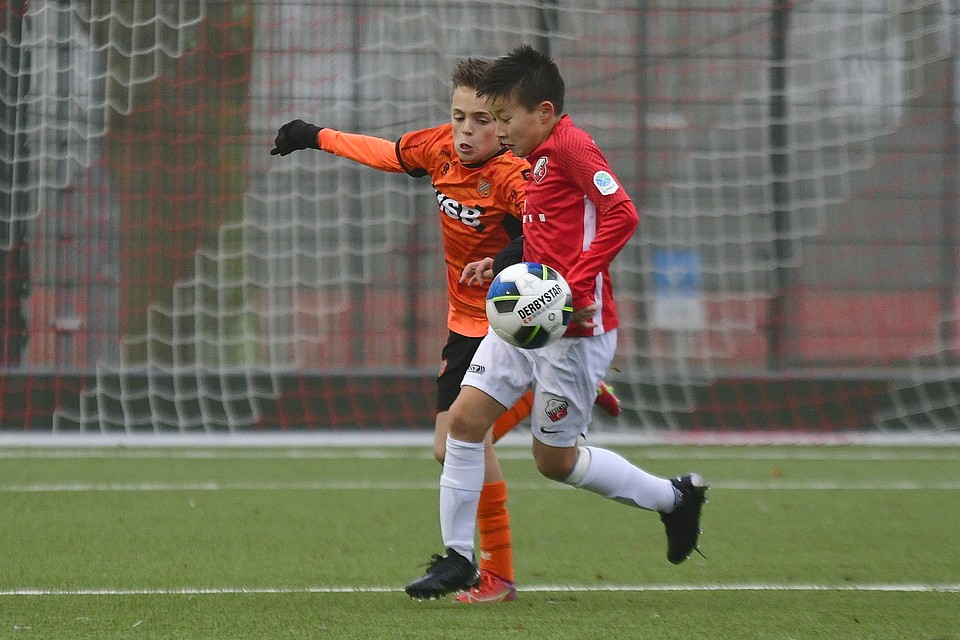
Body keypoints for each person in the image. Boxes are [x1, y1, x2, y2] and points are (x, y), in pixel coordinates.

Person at [270, 58, 620, 603]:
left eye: (483, 120)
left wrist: (503, 261)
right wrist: (315, 136)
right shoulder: (438, 148)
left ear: (504, 121)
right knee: (456, 442)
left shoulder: (517, 172)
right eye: (459, 117)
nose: (467, 131)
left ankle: (491, 571)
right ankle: (482, 558)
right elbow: (385, 153)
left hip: (511, 319)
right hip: (463, 320)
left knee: (462, 438)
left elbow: (542, 233)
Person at [404, 45, 708, 601]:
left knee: (555, 463)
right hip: (527, 317)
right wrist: (505, 265)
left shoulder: (572, 147)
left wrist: (577, 286)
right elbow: (547, 232)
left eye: (504, 118)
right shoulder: (536, 157)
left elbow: (623, 213)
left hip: (575, 334)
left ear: (543, 112)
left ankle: (675, 498)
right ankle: (458, 559)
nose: (498, 129)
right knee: (463, 426)